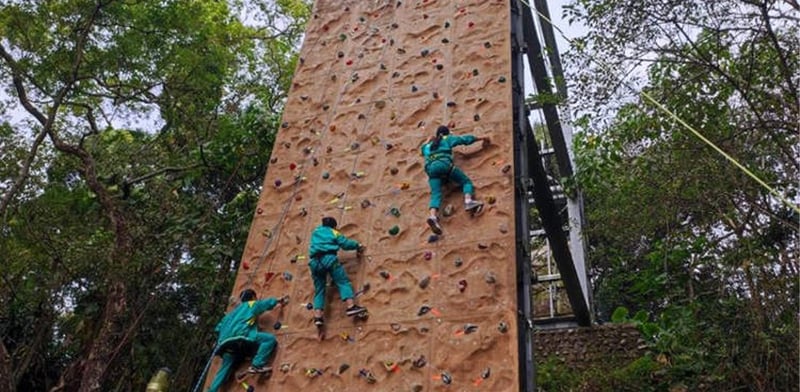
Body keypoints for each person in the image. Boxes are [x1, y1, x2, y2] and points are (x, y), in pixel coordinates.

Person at [208, 289, 287, 392]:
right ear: (253, 297)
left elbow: (218, 328)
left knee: (224, 369)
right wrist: (278, 300)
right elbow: (265, 304)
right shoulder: (251, 304)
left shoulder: (229, 315)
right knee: (269, 340)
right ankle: (257, 365)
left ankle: (212, 390)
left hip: (224, 345)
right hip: (240, 337)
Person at [421, 125, 490, 234]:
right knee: (466, 182)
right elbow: (464, 140)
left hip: (431, 170)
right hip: (443, 164)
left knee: (435, 194)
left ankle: (433, 217)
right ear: (446, 134)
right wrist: (481, 138)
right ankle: (468, 200)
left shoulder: (428, 145)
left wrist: (428, 140)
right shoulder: (447, 139)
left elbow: (422, 148)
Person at [308, 216, 367, 326]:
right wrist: (357, 245)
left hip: (314, 263)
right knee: (342, 282)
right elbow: (345, 244)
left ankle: (318, 317)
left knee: (319, 290)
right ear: (334, 226)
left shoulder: (316, 231)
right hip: (329, 260)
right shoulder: (334, 232)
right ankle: (351, 306)